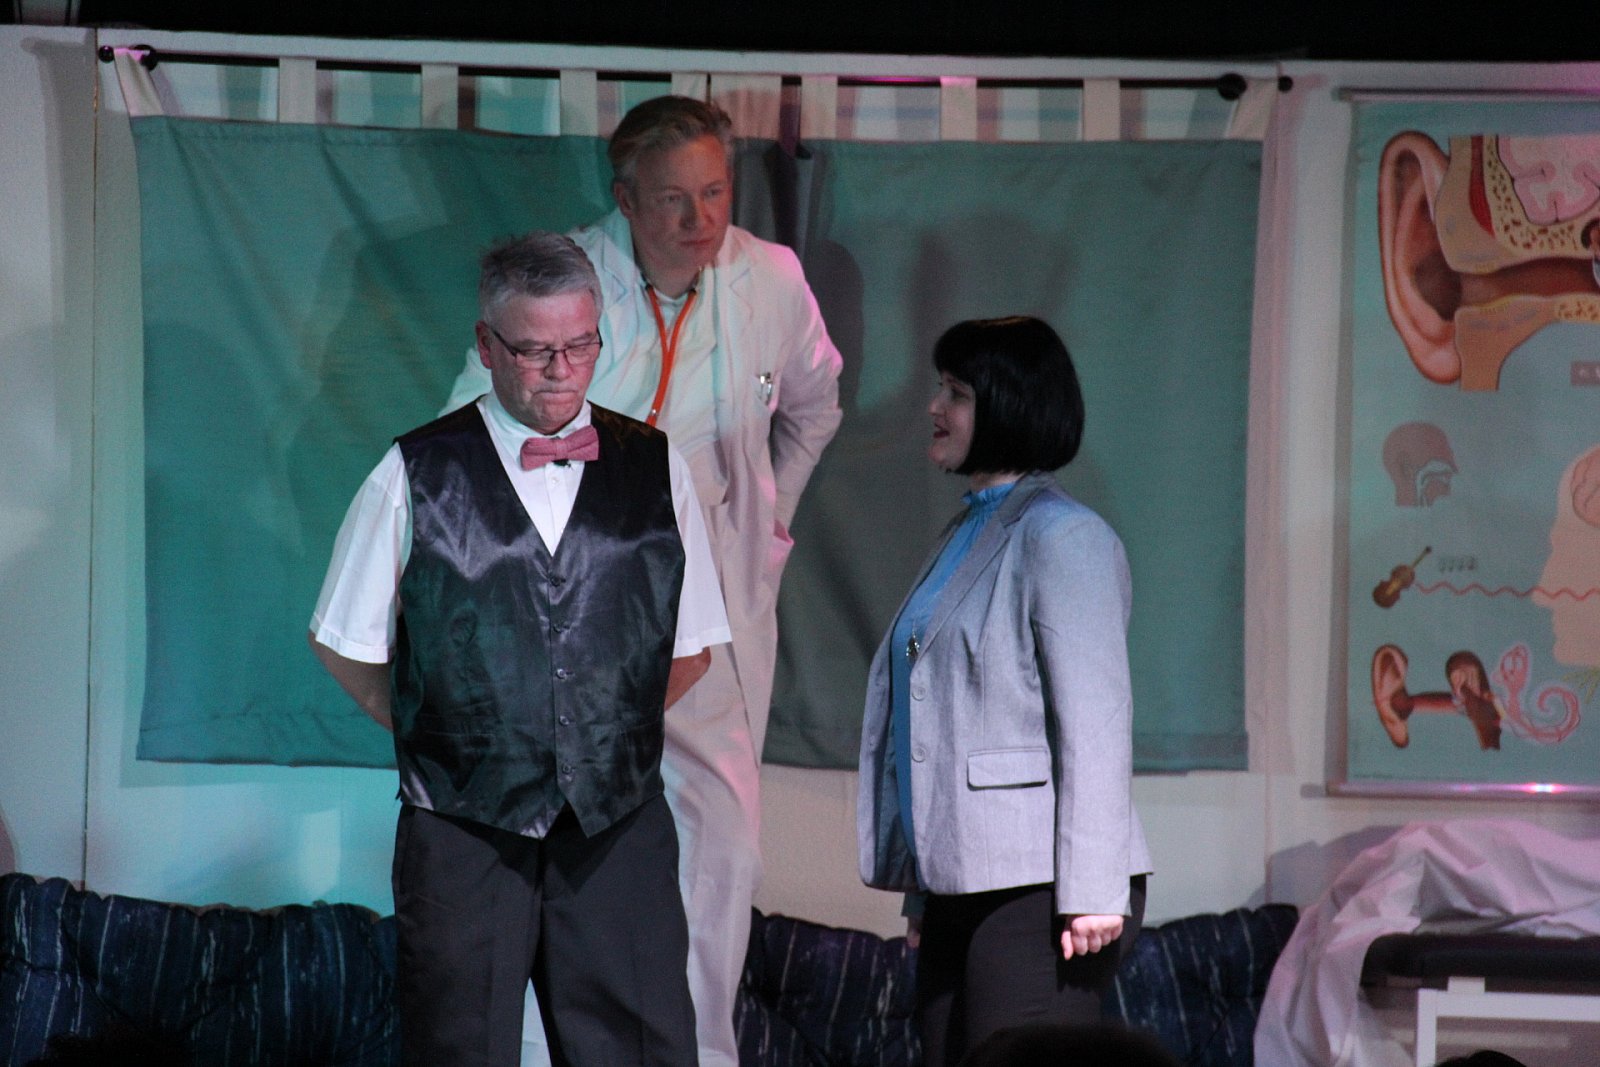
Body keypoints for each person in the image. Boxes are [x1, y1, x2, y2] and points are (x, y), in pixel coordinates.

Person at [442, 94, 843, 1066]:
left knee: (720, 841)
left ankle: (698, 1051)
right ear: (623, 199)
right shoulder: (563, 284)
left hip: (705, 609)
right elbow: (469, 427)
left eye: (715, 192)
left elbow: (815, 405)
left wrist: (768, 520)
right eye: (672, 198)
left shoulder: (770, 279)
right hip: (577, 611)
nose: (699, 219)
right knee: (554, 835)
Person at [309, 231, 730, 1066]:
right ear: (487, 344)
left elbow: (690, 648)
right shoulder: (414, 470)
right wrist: (452, 734)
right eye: (535, 350)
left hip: (616, 826)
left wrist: (594, 740)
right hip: (462, 830)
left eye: (580, 345)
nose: (561, 371)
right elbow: (345, 644)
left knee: (639, 1048)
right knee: (459, 1047)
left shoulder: (657, 467)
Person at [857, 316, 1153, 1067]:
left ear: (1011, 405)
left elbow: (1096, 722)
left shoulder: (1063, 536)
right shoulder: (968, 531)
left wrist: (1094, 890)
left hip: (1041, 883)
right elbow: (933, 723)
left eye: (956, 393)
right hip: (962, 881)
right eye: (941, 388)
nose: (934, 407)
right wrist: (923, 889)